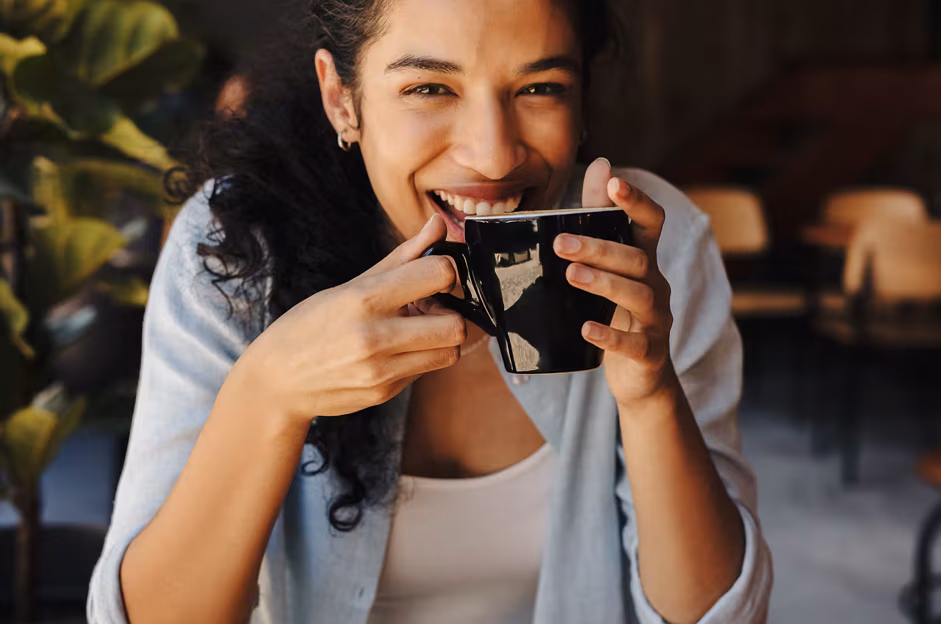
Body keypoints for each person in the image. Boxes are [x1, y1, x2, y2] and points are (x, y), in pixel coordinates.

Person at [87, 0, 773, 622]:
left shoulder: (655, 247)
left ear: (583, 100)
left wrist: (651, 394)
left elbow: (720, 616)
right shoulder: (235, 248)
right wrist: (270, 395)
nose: (492, 154)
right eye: (429, 88)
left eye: (539, 88)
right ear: (341, 99)